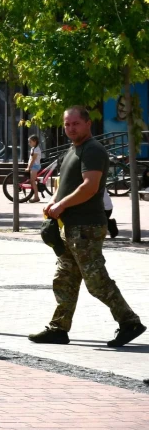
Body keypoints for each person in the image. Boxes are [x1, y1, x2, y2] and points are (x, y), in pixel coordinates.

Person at [29, 106, 145, 348]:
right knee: (64, 279)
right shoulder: (74, 150)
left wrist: (60, 204)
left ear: (88, 124)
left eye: (76, 123)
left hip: (86, 226)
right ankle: (58, 329)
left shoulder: (92, 150)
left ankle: (130, 322)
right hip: (70, 226)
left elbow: (90, 186)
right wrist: (53, 203)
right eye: (67, 124)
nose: (71, 128)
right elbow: (66, 185)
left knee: (96, 280)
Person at [28, 135, 43, 203]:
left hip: (35, 166)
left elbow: (33, 160)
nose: (29, 143)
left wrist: (29, 167)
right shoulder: (33, 148)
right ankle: (35, 196)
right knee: (32, 180)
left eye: (30, 142)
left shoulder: (37, 149)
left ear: (35, 141)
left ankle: (36, 197)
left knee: (32, 181)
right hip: (33, 165)